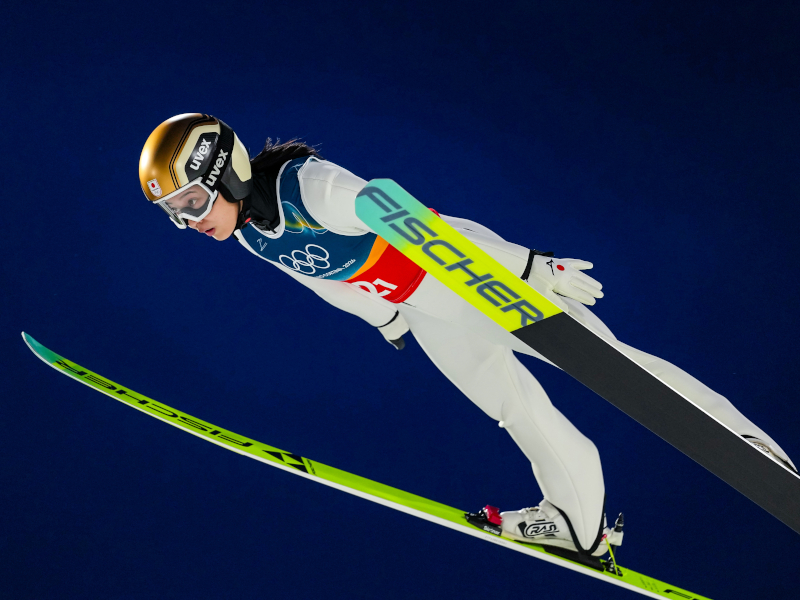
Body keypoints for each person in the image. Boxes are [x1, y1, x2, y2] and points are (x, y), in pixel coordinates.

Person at [139, 113, 795, 558]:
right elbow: (322, 280)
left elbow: (402, 213)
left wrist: (524, 266)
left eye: (190, 201)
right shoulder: (252, 235)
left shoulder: (311, 187)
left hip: (469, 277)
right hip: (425, 309)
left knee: (611, 366)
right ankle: (576, 522)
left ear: (225, 172)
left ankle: (749, 447)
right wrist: (386, 319)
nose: (189, 221)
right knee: (513, 407)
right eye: (174, 213)